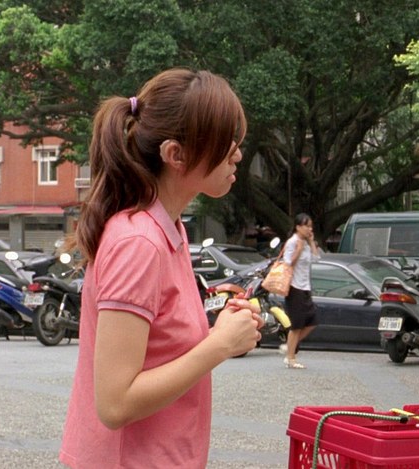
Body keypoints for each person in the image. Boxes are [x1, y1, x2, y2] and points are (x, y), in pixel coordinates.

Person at [59, 68, 264, 469]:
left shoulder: (167, 229)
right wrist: (220, 345)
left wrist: (221, 330)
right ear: (176, 155)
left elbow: (158, 348)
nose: (237, 153)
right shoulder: (139, 242)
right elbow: (115, 404)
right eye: (225, 141)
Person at [281, 213, 320, 369]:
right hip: (294, 287)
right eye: (306, 226)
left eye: (311, 226)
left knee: (313, 321)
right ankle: (290, 358)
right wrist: (298, 250)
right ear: (298, 227)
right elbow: (287, 263)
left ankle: (289, 346)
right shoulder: (292, 242)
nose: (309, 229)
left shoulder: (306, 242)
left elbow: (316, 259)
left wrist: (311, 242)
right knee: (296, 325)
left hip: (305, 287)